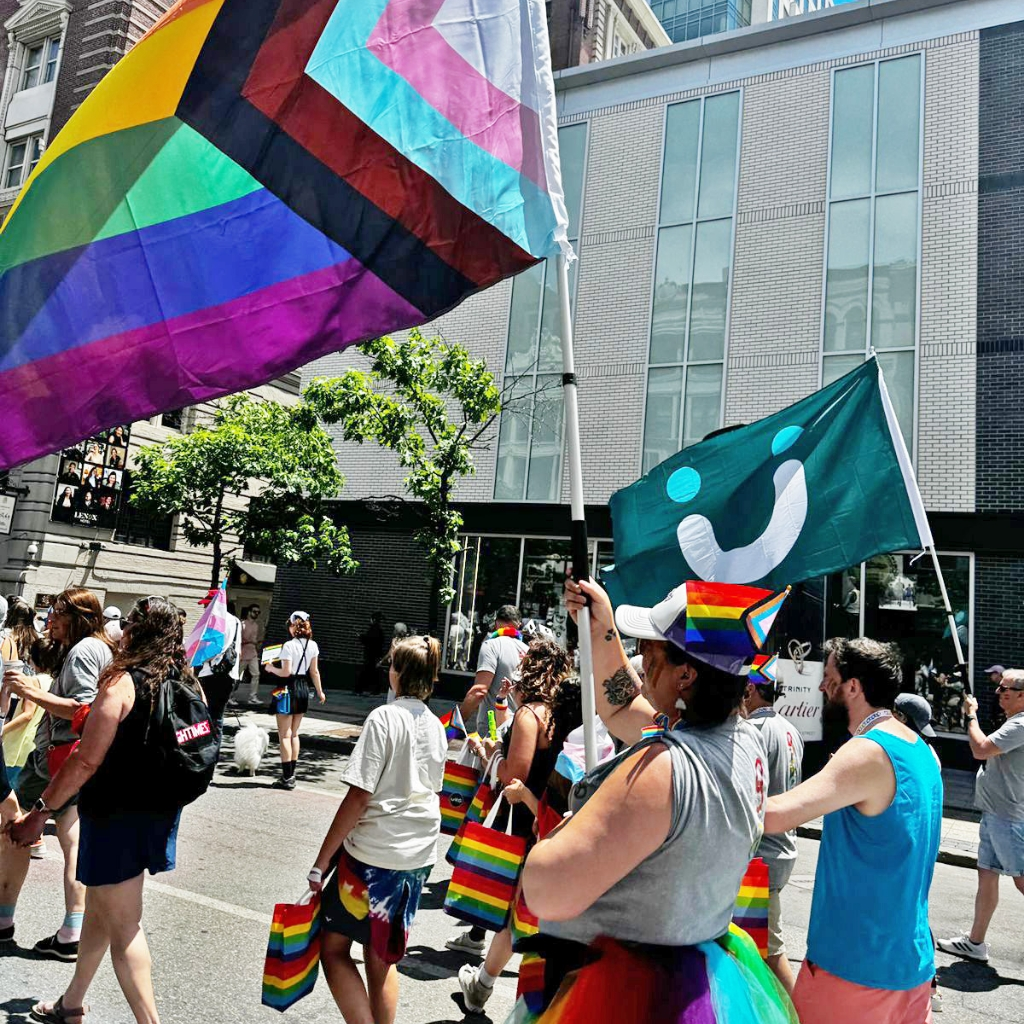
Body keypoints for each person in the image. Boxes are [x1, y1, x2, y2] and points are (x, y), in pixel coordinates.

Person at [515, 577, 792, 1024]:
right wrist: (603, 627)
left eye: (651, 650)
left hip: (617, 996)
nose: (642, 658)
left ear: (686, 674)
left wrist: (569, 824)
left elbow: (545, 892)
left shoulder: (664, 769)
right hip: (689, 976)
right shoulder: (740, 740)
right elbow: (622, 708)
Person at [12, 595, 194, 1024]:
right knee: (100, 908)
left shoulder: (123, 682)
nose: (122, 631)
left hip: (117, 815)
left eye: (128, 624)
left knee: (125, 926)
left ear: (134, 631)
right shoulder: (185, 680)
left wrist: (41, 809)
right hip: (160, 812)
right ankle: (71, 1003)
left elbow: (86, 759)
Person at [764, 637, 942, 1024]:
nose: (821, 687)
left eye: (829, 678)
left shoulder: (865, 751)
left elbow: (775, 815)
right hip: (909, 964)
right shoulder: (919, 748)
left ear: (853, 686)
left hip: (855, 969)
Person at [307, 635, 447, 1024]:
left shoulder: (383, 718)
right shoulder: (436, 725)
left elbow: (358, 797)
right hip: (418, 854)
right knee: (381, 956)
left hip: (373, 855)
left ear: (396, 673)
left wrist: (321, 862)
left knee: (333, 949)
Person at [456, 641, 580, 1012]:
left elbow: (514, 776)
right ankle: (482, 984)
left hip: (529, 820)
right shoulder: (560, 713)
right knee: (521, 911)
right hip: (553, 815)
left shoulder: (530, 715)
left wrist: (490, 754)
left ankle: (497, 991)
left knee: (520, 911)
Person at [0, 588, 115, 960]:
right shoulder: (99, 647)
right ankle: (72, 931)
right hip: (81, 758)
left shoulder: (83, 651)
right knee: (72, 841)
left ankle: (3, 921)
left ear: (77, 616)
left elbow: (81, 710)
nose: (50, 619)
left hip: (57, 758)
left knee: (13, 829)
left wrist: (27, 693)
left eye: (57, 613)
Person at [938, 668, 1024, 963]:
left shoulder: (1021, 724)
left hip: (1009, 817)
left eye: (1005, 689)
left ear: (1023, 695)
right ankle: (975, 943)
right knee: (987, 876)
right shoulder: (1014, 721)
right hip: (995, 813)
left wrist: (971, 715)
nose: (998, 693)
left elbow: (981, 749)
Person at [743, 661, 803, 994]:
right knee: (757, 943)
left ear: (751, 689)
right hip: (782, 847)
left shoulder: (753, 731)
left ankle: (797, 1014)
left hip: (760, 854)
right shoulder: (791, 730)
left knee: (769, 949)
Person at [265, 611, 325, 789]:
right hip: (303, 688)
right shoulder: (313, 645)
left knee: (284, 735)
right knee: (295, 733)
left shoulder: (288, 646)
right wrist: (320, 692)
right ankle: (292, 775)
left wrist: (270, 669)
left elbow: (286, 672)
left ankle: (287, 777)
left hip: (286, 688)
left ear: (293, 626)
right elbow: (314, 671)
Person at [459, 605, 527, 735]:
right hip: (518, 729)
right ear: (518, 625)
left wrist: (456, 724)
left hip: (492, 729)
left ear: (496, 623)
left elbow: (480, 691)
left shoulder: (491, 645)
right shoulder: (528, 651)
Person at [197, 598, 242, 729]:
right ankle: (214, 746)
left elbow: (210, 650)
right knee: (218, 716)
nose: (205, 608)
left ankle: (207, 746)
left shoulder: (214, 621)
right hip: (230, 674)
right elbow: (237, 650)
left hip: (211, 673)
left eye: (206, 605)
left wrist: (195, 657)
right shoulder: (236, 621)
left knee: (206, 714)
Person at [239, 604, 264, 706]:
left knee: (256, 674)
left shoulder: (257, 625)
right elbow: (239, 640)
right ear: (249, 612)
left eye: (258, 612)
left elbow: (257, 639)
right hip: (243, 652)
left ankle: (253, 697)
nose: (256, 614)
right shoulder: (242, 624)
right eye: (255, 611)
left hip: (253, 652)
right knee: (237, 675)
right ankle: (230, 696)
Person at [356, 611, 385, 694]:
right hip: (376, 654)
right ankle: (375, 690)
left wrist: (361, 637)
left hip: (370, 654)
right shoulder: (380, 630)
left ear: (373, 619)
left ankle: (359, 689)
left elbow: (369, 641)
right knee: (374, 672)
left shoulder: (373, 629)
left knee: (365, 672)